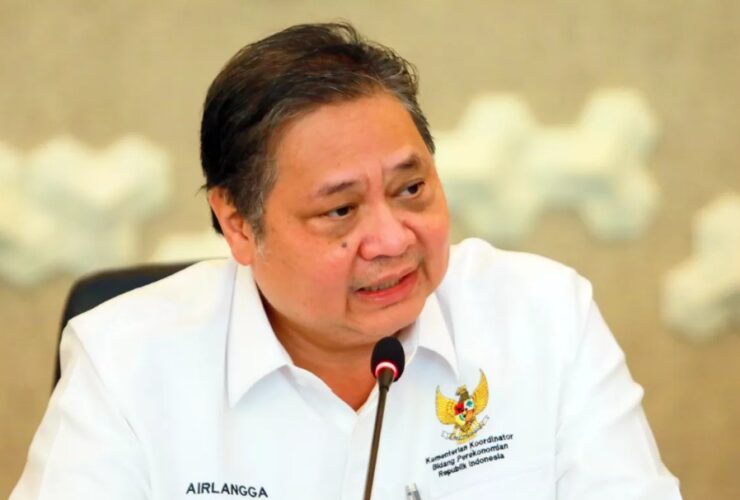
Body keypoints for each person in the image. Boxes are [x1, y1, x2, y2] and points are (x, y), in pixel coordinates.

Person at [12, 23, 682, 499]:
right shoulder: (126, 361)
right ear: (237, 223)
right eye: (340, 210)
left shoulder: (546, 317)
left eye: (410, 190)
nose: (391, 240)